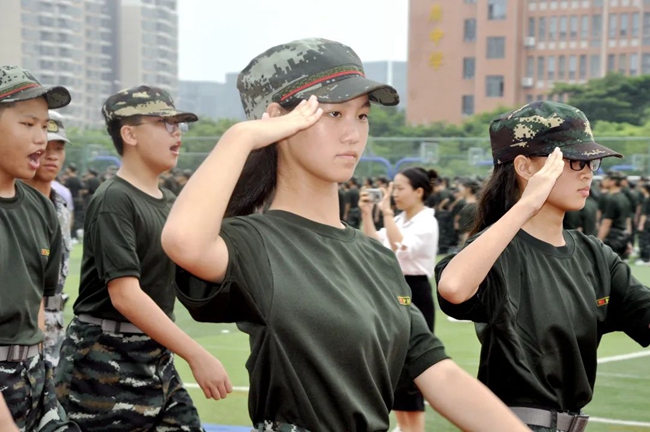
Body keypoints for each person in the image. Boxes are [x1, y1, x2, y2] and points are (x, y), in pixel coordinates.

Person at [161, 37, 529, 432]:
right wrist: (243, 137)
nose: (353, 134)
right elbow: (185, 241)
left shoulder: (377, 259)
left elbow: (438, 373)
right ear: (278, 120)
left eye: (361, 116)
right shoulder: (257, 244)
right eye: (333, 114)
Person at [436, 101, 650, 432]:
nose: (588, 173)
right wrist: (527, 205)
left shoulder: (595, 256)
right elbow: (454, 288)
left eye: (592, 163)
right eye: (575, 161)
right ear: (525, 167)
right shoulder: (497, 250)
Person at [55, 86, 231, 431]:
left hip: (155, 353)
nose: (177, 132)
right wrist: (195, 353)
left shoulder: (169, 201)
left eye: (179, 124)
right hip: (104, 361)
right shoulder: (114, 199)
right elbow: (125, 294)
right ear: (129, 133)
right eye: (165, 123)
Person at [0, 65, 79, 431]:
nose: (41, 139)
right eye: (27, 124)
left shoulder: (41, 209)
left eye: (44, 127)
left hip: (33, 377)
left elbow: (38, 306)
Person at [360, 167, 439, 432]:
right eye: (393, 188)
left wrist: (386, 213)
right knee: (394, 362)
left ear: (419, 192)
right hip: (395, 290)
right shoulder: (402, 219)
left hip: (414, 290)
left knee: (412, 364)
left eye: (400, 188)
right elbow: (374, 244)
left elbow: (401, 247)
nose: (394, 194)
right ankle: (405, 426)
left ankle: (414, 428)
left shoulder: (427, 220)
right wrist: (366, 213)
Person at [23, 110, 73, 369]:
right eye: (45, 146)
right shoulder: (16, 205)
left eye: (59, 147)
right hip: (24, 336)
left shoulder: (61, 205)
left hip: (56, 327)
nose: (52, 154)